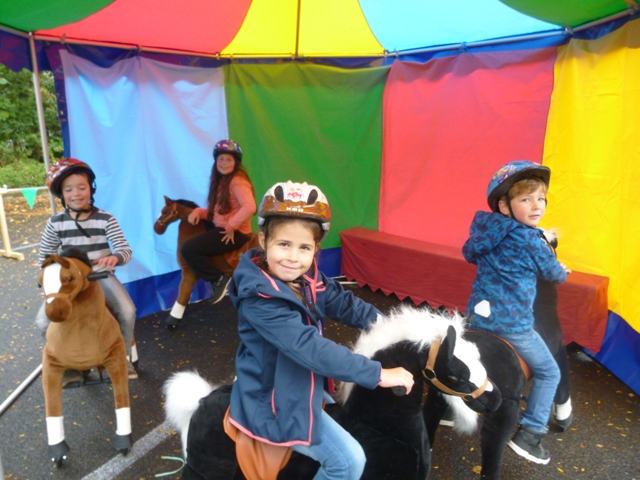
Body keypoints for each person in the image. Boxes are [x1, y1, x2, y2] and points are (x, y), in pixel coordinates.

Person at [227, 181, 415, 480]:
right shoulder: (259, 298)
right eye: (283, 244)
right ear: (263, 241)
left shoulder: (307, 277)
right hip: (274, 397)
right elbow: (310, 348)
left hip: (298, 380)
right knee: (348, 462)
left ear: (316, 249)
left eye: (304, 248)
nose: (293, 257)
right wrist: (377, 373)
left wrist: (394, 327)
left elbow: (344, 302)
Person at [463, 160, 570, 465]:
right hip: (511, 324)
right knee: (550, 373)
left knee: (460, 356)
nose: (537, 206)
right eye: (526, 199)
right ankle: (530, 435)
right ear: (505, 205)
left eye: (541, 198)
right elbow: (553, 274)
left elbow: (469, 253)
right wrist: (561, 268)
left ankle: (446, 408)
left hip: (477, 317)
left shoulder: (484, 228)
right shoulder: (531, 240)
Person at [36, 158, 138, 382]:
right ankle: (69, 363)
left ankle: (123, 359)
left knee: (127, 310)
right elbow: (45, 256)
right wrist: (49, 277)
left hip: (99, 275)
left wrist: (115, 257)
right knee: (43, 321)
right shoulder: (55, 223)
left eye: (82, 187)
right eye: (69, 189)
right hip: (69, 281)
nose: (76, 193)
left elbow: (124, 248)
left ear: (91, 189)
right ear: (61, 194)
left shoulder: (106, 219)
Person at [180, 139, 256, 304]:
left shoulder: (238, 181)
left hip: (235, 233)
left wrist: (231, 227)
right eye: (221, 159)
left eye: (229, 159)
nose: (224, 163)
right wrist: (199, 212)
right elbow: (217, 212)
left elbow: (250, 207)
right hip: (224, 227)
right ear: (216, 161)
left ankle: (219, 279)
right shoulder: (221, 181)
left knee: (188, 249)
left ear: (235, 163)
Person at [533, 230, 573, 431]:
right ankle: (561, 403)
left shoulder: (491, 231)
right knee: (556, 350)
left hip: (491, 302)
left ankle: (447, 408)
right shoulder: (536, 240)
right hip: (527, 307)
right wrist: (557, 270)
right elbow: (555, 274)